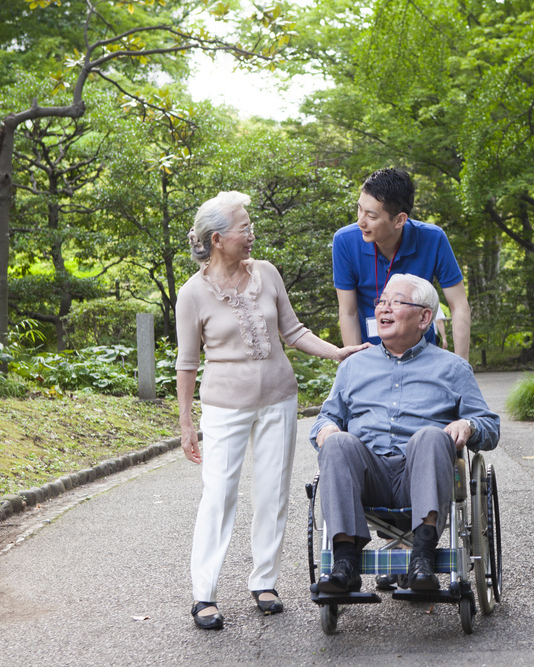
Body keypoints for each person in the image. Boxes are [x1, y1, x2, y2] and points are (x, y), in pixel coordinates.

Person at [176, 191, 368, 631]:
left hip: (279, 399)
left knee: (272, 495)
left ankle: (265, 582)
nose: (251, 234)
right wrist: (186, 423)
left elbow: (294, 330)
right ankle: (204, 593)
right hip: (224, 407)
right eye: (244, 228)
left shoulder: (267, 274)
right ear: (218, 238)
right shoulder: (192, 294)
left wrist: (336, 353)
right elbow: (187, 363)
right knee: (219, 496)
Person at [310, 274, 499, 593]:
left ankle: (422, 559)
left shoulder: (452, 368)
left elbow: (490, 426)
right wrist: (325, 427)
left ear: (425, 317)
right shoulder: (353, 366)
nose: (383, 309)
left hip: (423, 473)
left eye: (395, 302)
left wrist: (468, 425)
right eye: (381, 302)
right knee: (339, 441)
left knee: (430, 435)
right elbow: (328, 415)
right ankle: (344, 564)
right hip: (368, 476)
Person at [332, 168, 472, 360]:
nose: (360, 222)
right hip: (371, 356)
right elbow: (348, 312)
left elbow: (459, 305)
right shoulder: (345, 241)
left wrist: (462, 366)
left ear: (400, 220)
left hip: (423, 355)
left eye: (371, 216)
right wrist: (356, 368)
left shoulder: (433, 238)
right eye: (359, 209)